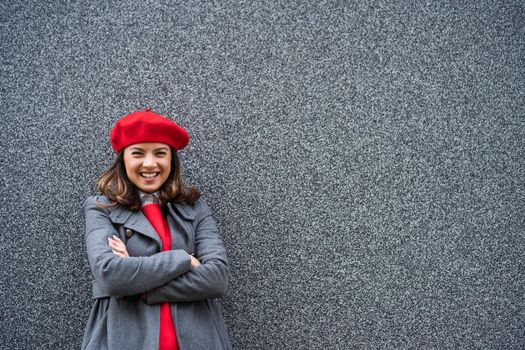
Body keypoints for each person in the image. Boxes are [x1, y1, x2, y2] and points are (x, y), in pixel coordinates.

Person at [81, 109, 232, 350]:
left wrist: (138, 286)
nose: (150, 163)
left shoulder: (195, 208)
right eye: (138, 153)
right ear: (123, 160)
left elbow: (217, 280)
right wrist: (183, 259)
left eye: (160, 153)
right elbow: (110, 275)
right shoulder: (101, 208)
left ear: (171, 160)